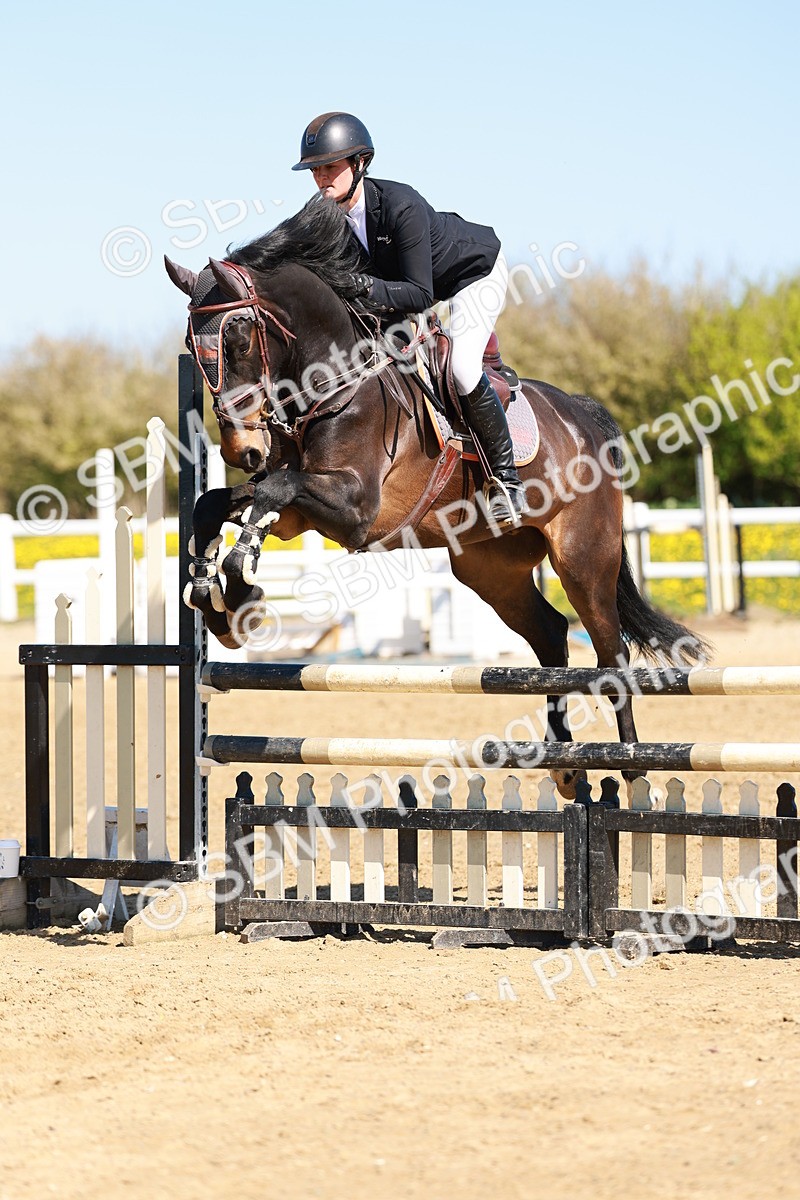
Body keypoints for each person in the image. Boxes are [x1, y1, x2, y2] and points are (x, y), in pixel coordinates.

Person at [292, 111, 528, 528]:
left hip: (471, 275)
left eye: (330, 167)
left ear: (359, 163)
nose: (322, 178)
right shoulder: (326, 219)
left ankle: (507, 483)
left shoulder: (401, 205)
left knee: (460, 367)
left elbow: (418, 294)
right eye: (315, 170)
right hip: (408, 290)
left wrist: (360, 285)